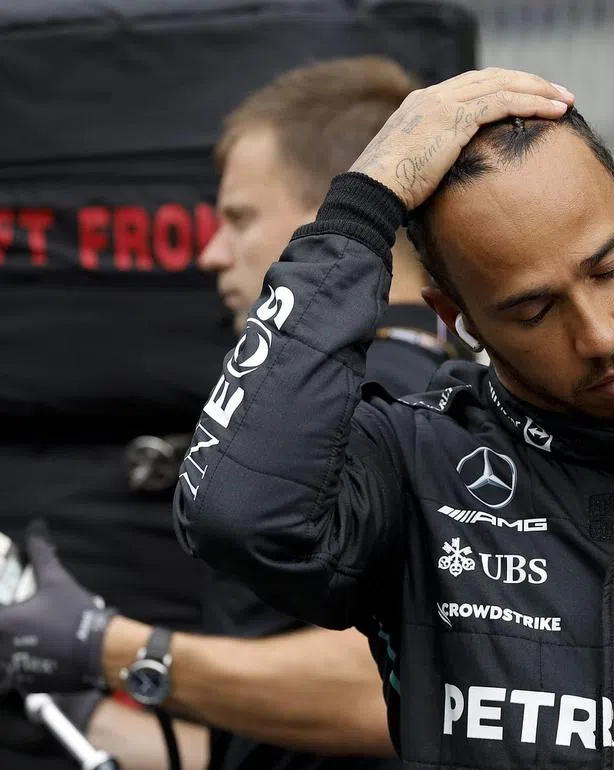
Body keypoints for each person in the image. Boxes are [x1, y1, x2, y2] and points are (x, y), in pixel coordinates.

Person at [169, 68, 614, 769]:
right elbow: (236, 512)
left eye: (607, 269)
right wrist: (363, 206)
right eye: (533, 310)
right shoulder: (413, 462)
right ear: (456, 316)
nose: (600, 336)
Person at [0, 55, 473, 770]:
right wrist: (72, 704)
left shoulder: (380, 402)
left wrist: (104, 644)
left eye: (239, 218)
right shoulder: (427, 383)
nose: (212, 253)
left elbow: (390, 692)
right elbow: (271, 745)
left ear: (329, 214)